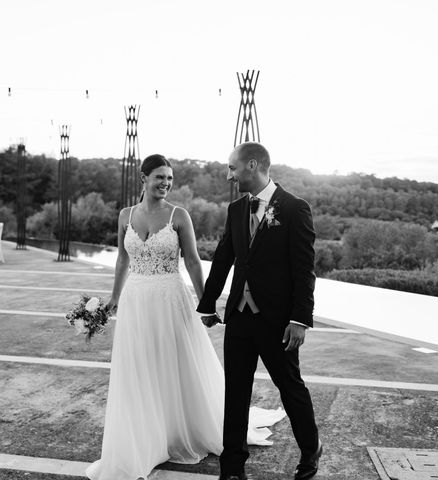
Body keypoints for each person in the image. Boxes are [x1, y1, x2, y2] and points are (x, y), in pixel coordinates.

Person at [86, 154, 284, 480]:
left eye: (169, 178)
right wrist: (114, 298)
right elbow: (122, 259)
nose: (165, 183)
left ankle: (181, 428)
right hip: (136, 300)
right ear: (143, 178)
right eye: (159, 177)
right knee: (139, 367)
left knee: (175, 364)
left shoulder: (179, 216)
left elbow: (192, 261)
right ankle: (146, 436)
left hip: (170, 297)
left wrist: (206, 303)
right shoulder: (125, 215)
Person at [198, 142, 322, 480]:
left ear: (252, 165)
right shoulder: (236, 209)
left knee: (290, 388)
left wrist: (300, 319)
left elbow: (303, 270)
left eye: (232, 168)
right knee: (235, 393)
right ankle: (233, 467)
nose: (229, 175)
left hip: (278, 322)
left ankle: (311, 451)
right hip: (239, 317)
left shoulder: (295, 208)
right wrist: (207, 305)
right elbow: (224, 257)